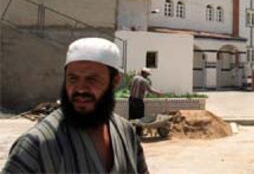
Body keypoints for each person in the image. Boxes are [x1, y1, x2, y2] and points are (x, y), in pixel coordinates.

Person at [2, 37, 149, 174]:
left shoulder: (126, 132)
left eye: (92, 79)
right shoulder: (36, 145)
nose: (80, 89)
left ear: (115, 81)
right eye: (73, 79)